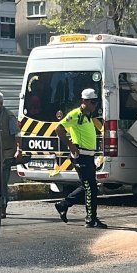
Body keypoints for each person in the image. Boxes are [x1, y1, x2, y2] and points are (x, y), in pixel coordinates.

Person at [54, 88, 108, 229]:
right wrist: (71, 146)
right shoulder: (76, 115)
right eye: (92, 102)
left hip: (88, 157)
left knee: (88, 187)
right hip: (81, 156)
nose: (94, 105)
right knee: (90, 188)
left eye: (95, 102)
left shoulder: (89, 116)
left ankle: (64, 204)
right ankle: (91, 219)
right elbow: (59, 129)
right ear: (84, 101)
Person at [0, 90, 19, 218]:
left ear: (1, 103)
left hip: (6, 154)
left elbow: (16, 134)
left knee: (2, 182)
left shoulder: (9, 116)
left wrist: (19, 150)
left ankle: (3, 206)